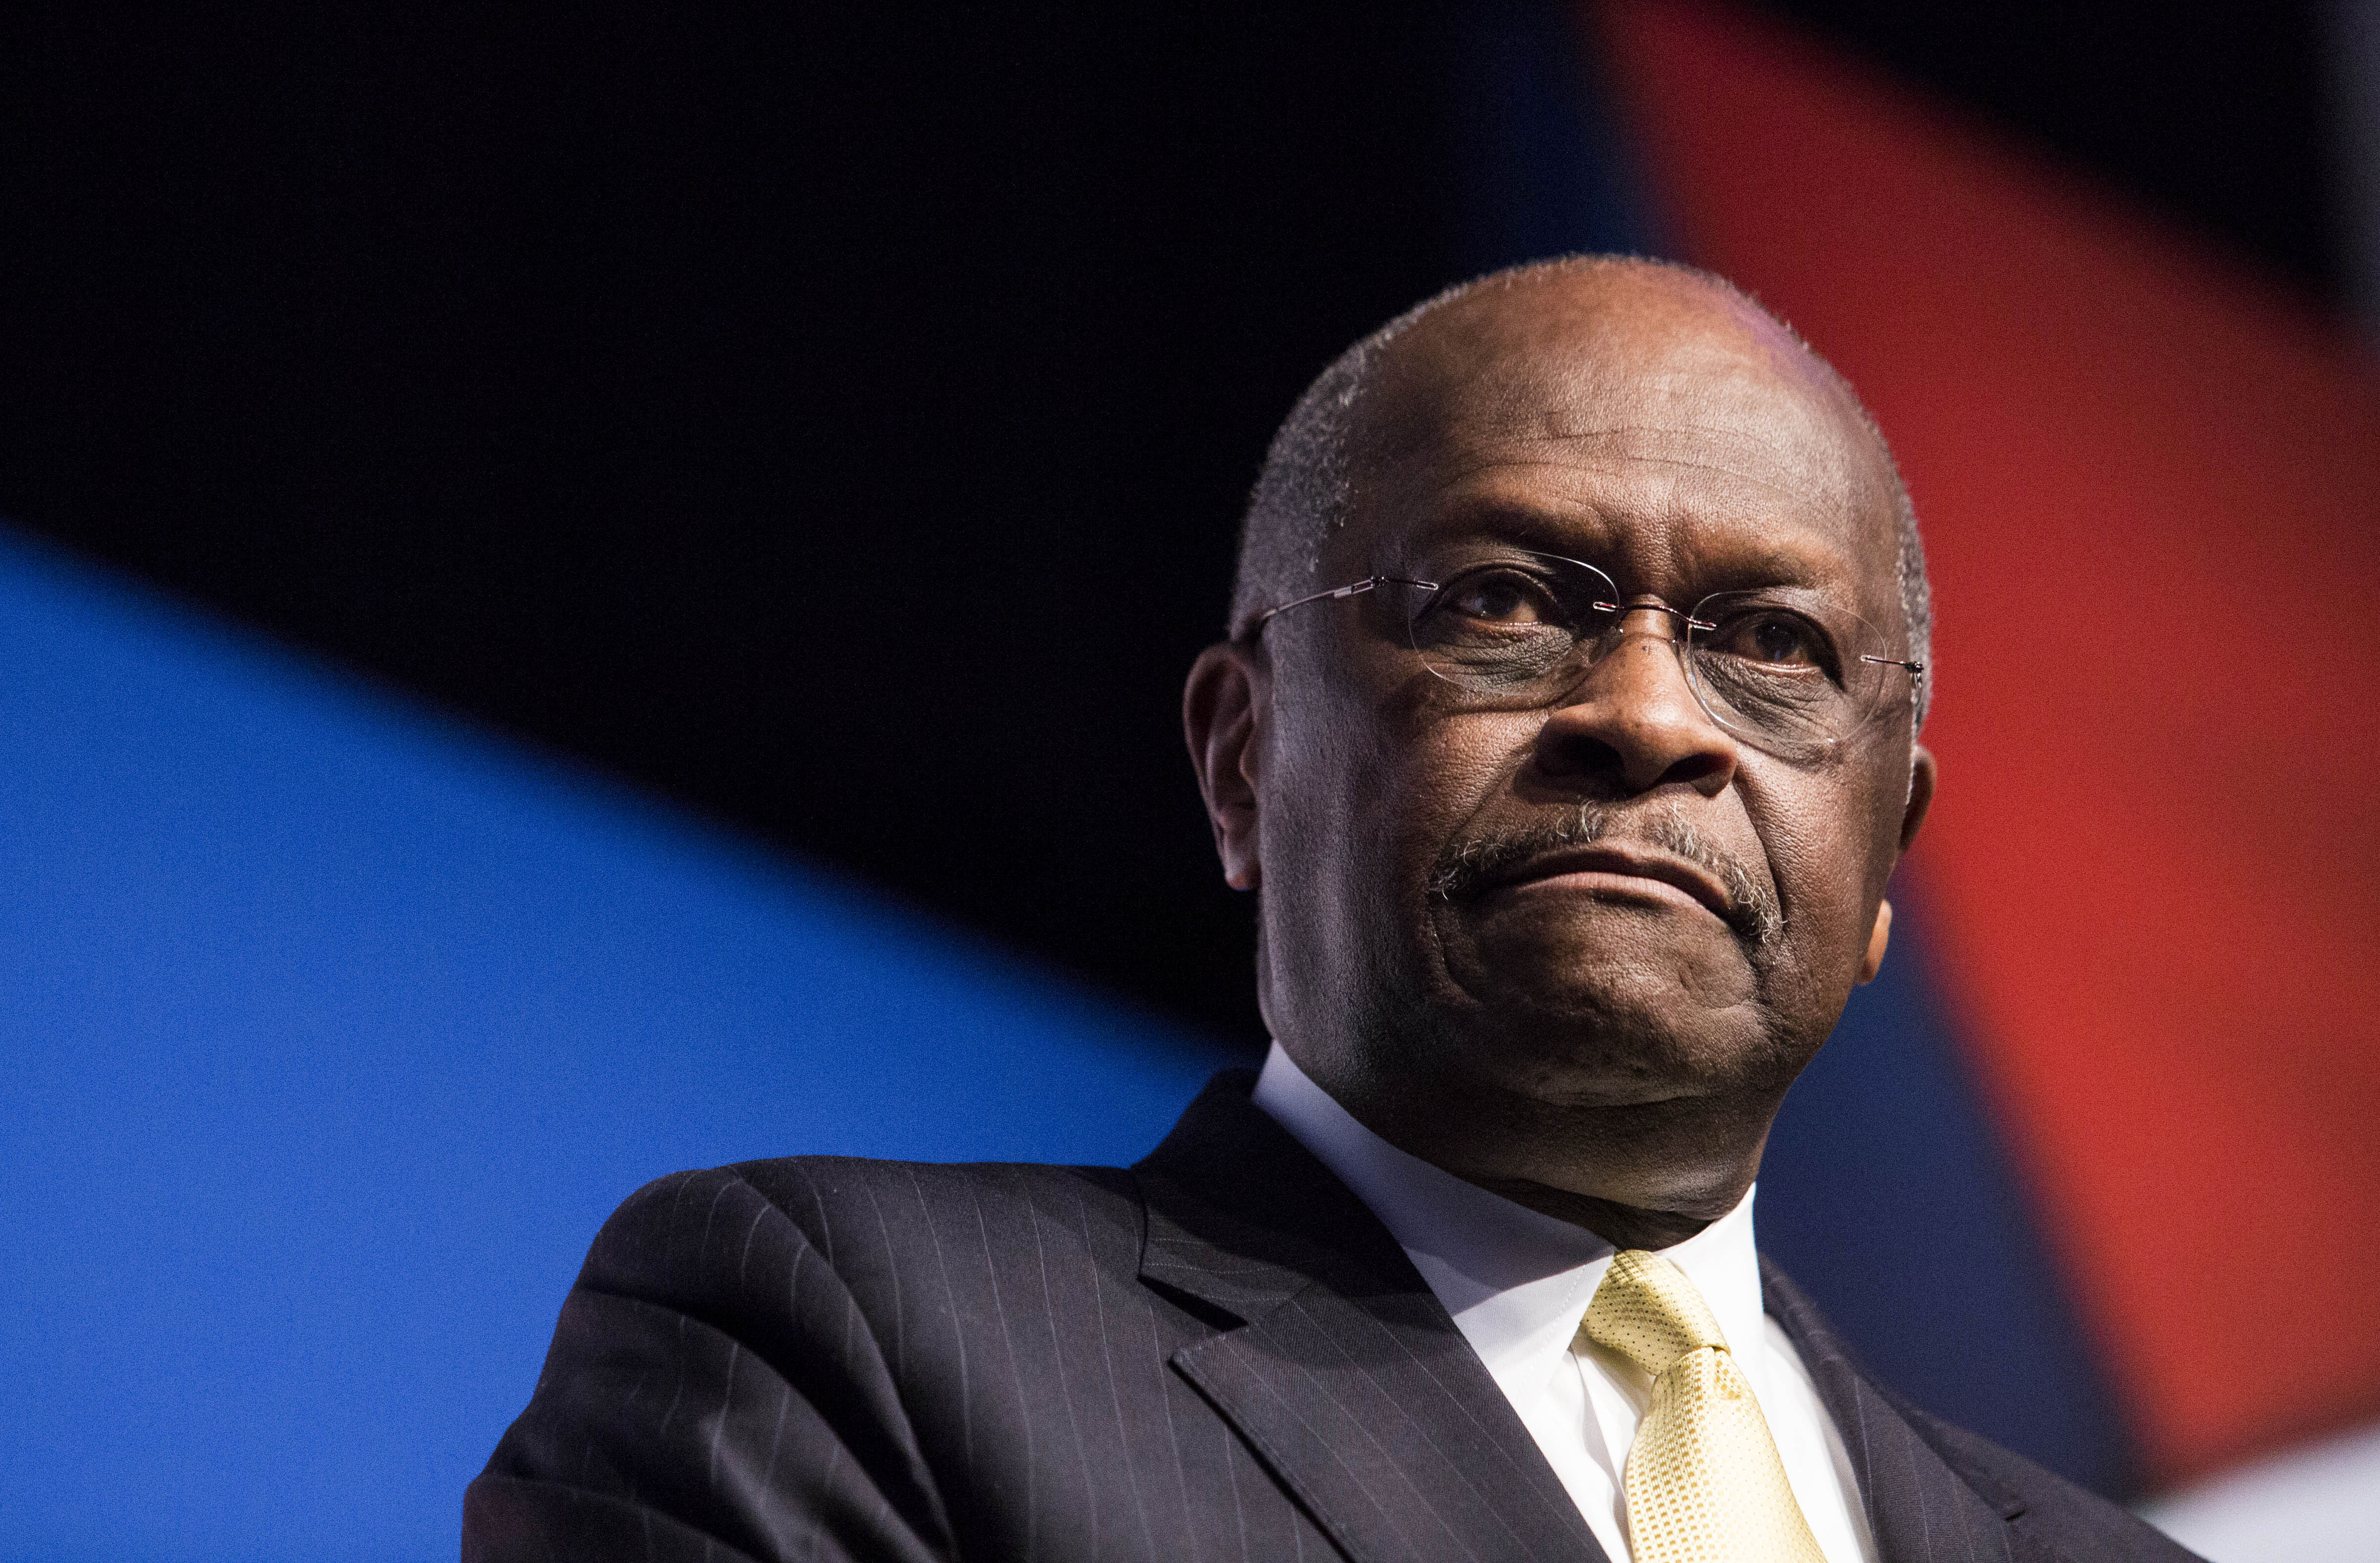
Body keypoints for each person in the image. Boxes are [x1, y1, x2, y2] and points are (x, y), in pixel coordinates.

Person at [465, 258, 2199, 1562]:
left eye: (1772, 645)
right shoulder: (835, 1340)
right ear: (1240, 758)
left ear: (1886, 850)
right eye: (1511, 600)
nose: (1654, 715)